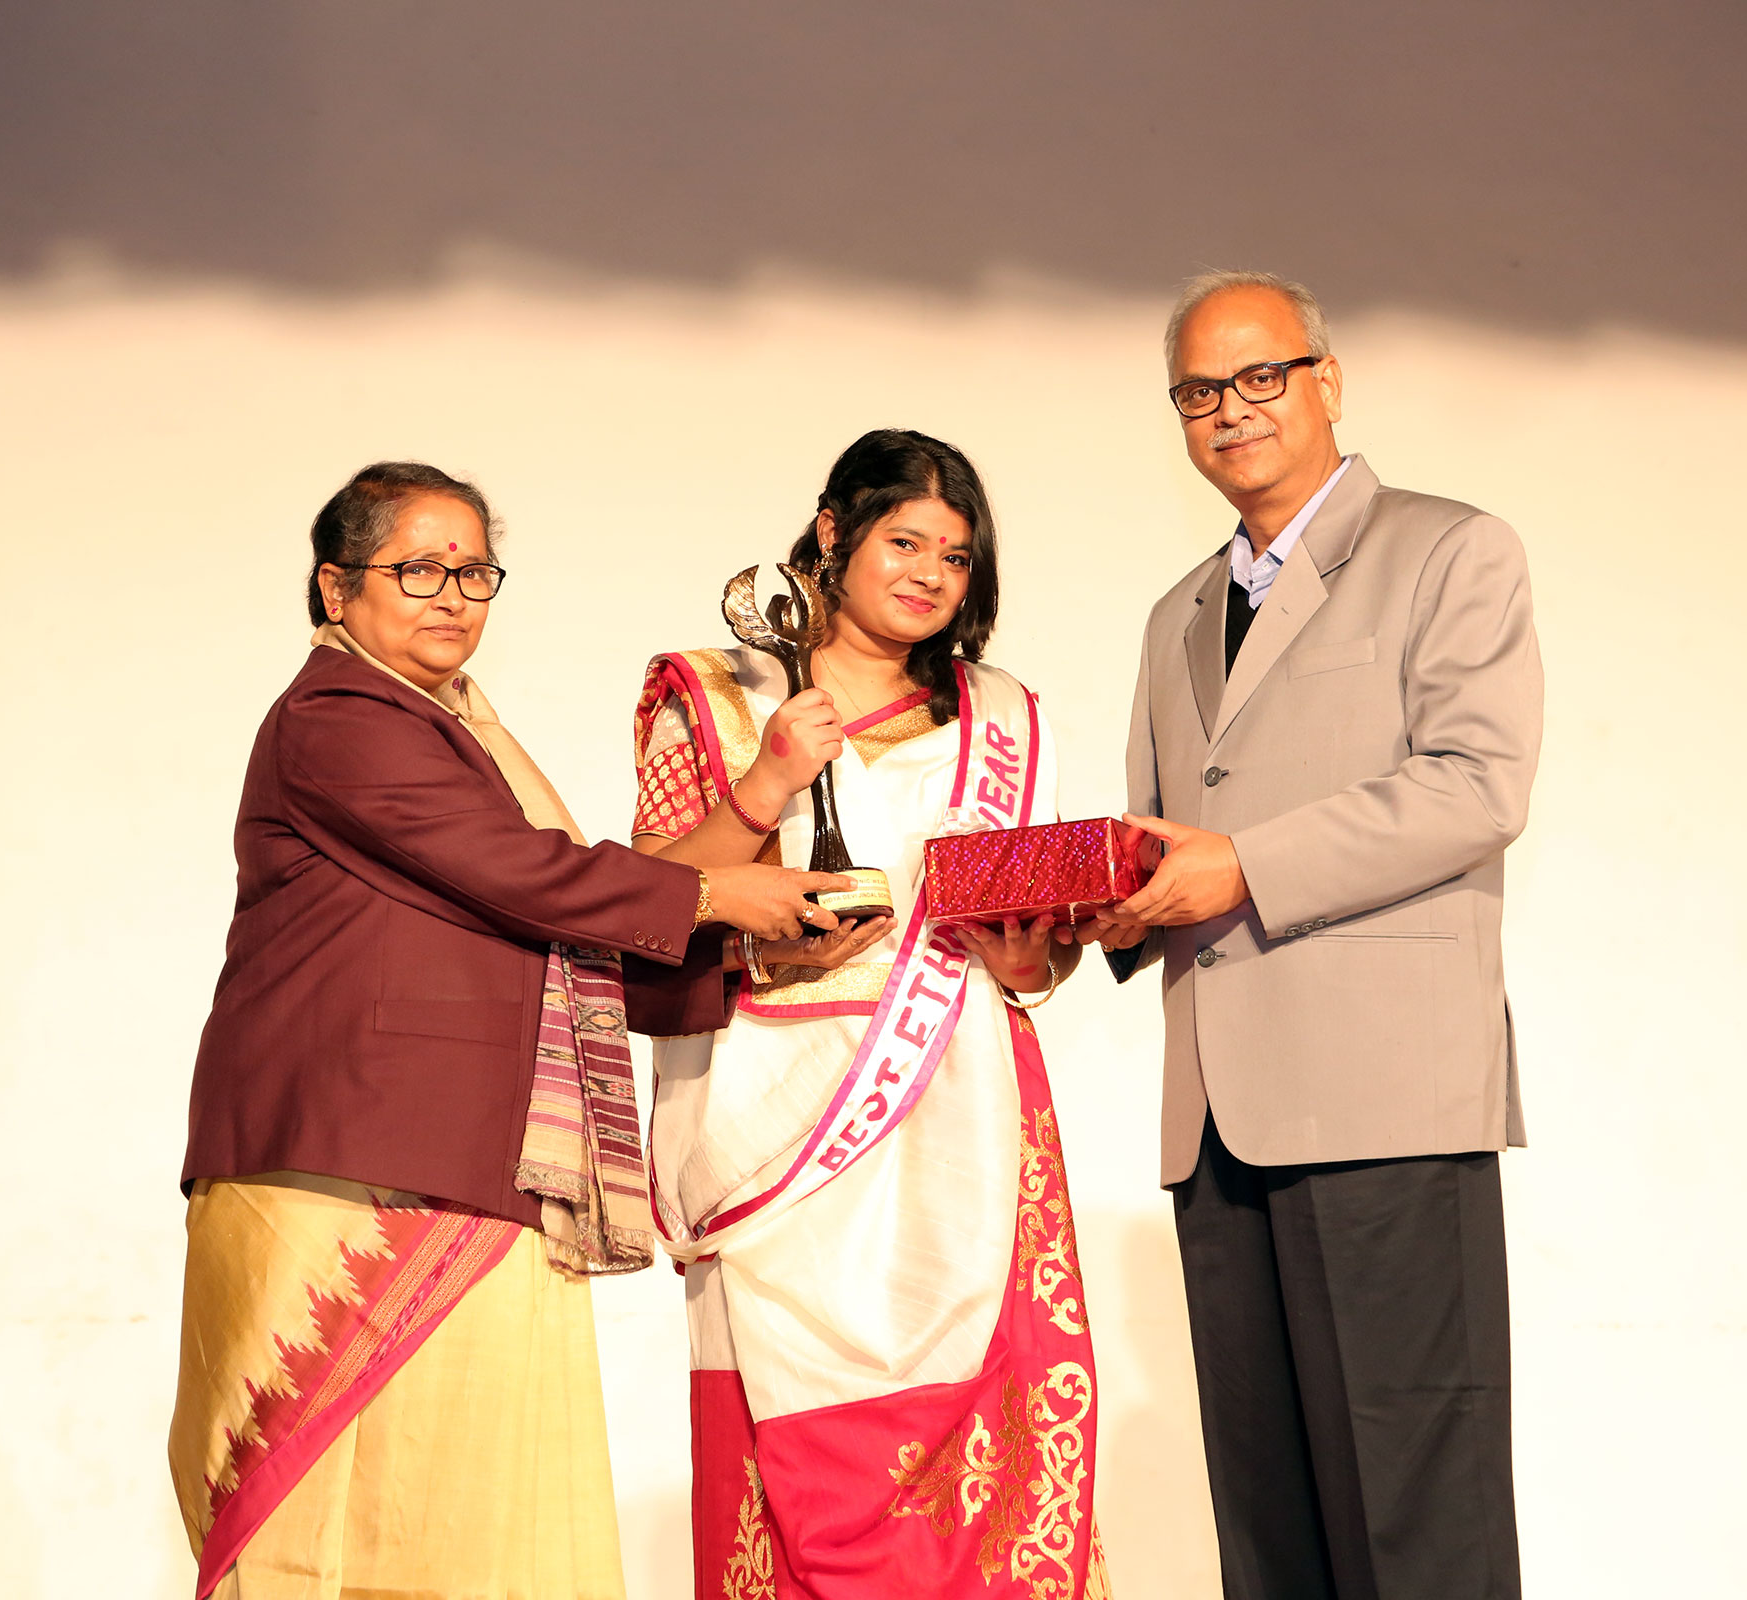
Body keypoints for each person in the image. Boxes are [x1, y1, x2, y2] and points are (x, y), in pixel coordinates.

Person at [167, 461, 852, 1600]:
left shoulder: (459, 733)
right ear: (336, 588)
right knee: (325, 1526)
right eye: (418, 569)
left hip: (461, 1165)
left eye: (474, 570)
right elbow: (530, 878)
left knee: (470, 1522)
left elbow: (571, 920)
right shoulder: (340, 716)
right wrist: (719, 898)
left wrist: (762, 826)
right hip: (347, 1171)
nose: (452, 595)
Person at [1088, 273, 1543, 1599]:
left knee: (1420, 1525)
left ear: (1326, 380)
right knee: (1268, 1535)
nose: (1229, 410)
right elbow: (1164, 840)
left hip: (1385, 1104)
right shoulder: (1176, 614)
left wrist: (1243, 867)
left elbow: (1478, 785)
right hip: (1216, 1121)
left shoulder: (1449, 550)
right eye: (1198, 391)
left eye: (1259, 376)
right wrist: (1078, 919)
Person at [631, 429, 1110, 1600]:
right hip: (774, 1125)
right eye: (905, 541)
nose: (930, 574)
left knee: (987, 1463)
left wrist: (1031, 955)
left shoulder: (1000, 718)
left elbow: (1027, 956)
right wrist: (768, 785)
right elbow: (646, 901)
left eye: (956, 554)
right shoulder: (717, 694)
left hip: (963, 1115)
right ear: (833, 531)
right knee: (791, 1460)